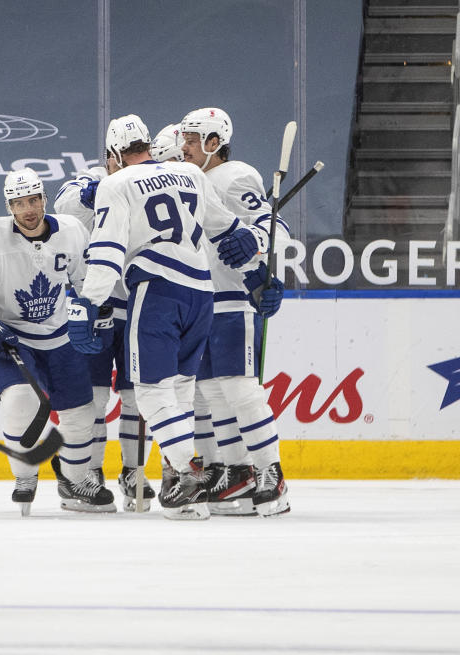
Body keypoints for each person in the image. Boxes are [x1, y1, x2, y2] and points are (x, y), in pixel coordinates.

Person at [66, 115, 262, 520]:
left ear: (115, 154)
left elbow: (106, 253)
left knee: (151, 392)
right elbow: (230, 231)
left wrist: (88, 302)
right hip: (201, 295)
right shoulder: (188, 172)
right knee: (181, 391)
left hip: (155, 293)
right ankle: (181, 478)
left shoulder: (115, 183)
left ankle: (186, 479)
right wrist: (259, 275)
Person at [0, 168, 115, 516]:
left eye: (33, 199)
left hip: (61, 334)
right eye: (19, 202)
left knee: (81, 414)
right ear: (9, 206)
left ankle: (75, 479)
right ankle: (25, 476)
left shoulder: (71, 230)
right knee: (20, 402)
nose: (28, 209)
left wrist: (95, 312)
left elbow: (85, 281)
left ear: (44, 199)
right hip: (10, 337)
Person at [179, 107, 289, 517]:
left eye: (192, 140)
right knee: (211, 391)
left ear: (214, 144)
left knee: (239, 388)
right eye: (185, 139)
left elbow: (272, 225)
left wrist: (255, 242)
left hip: (230, 297)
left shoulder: (234, 175)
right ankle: (238, 471)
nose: (184, 146)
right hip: (199, 300)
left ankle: (270, 472)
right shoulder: (191, 179)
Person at [52, 115, 156, 511]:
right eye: (124, 155)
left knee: (136, 396)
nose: (131, 160)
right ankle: (89, 472)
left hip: (138, 302)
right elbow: (63, 205)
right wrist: (103, 187)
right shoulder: (90, 180)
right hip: (95, 304)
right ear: (110, 155)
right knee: (93, 398)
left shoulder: (150, 178)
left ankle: (134, 470)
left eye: (136, 152)